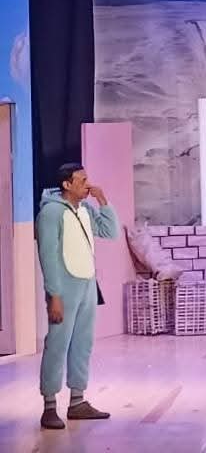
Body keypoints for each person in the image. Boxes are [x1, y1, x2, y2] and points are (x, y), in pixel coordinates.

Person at [36, 163, 119, 430]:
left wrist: (103, 201)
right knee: (57, 344)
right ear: (67, 184)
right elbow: (47, 256)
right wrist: (54, 294)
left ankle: (77, 401)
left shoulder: (85, 209)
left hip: (87, 286)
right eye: (82, 180)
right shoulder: (51, 213)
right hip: (64, 288)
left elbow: (110, 232)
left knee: (83, 344)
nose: (88, 184)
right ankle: (49, 405)